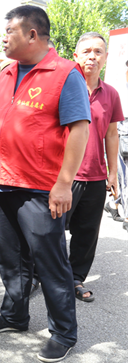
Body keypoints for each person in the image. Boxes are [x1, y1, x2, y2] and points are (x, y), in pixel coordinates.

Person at [0, 5, 91, 363]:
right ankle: (14, 316)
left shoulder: (64, 73)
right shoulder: (6, 73)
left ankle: (63, 332)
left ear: (32, 34)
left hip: (40, 190)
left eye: (9, 31)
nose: (3, 38)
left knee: (50, 264)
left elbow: (79, 129)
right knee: (11, 259)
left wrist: (64, 184)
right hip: (2, 183)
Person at [65, 32, 124, 301]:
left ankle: (75, 278)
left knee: (87, 233)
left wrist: (112, 173)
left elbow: (111, 135)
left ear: (106, 57)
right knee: (48, 230)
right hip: (63, 176)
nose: (92, 56)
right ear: (75, 55)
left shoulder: (110, 94)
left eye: (98, 51)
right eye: (86, 51)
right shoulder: (64, 85)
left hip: (95, 176)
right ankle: (36, 275)